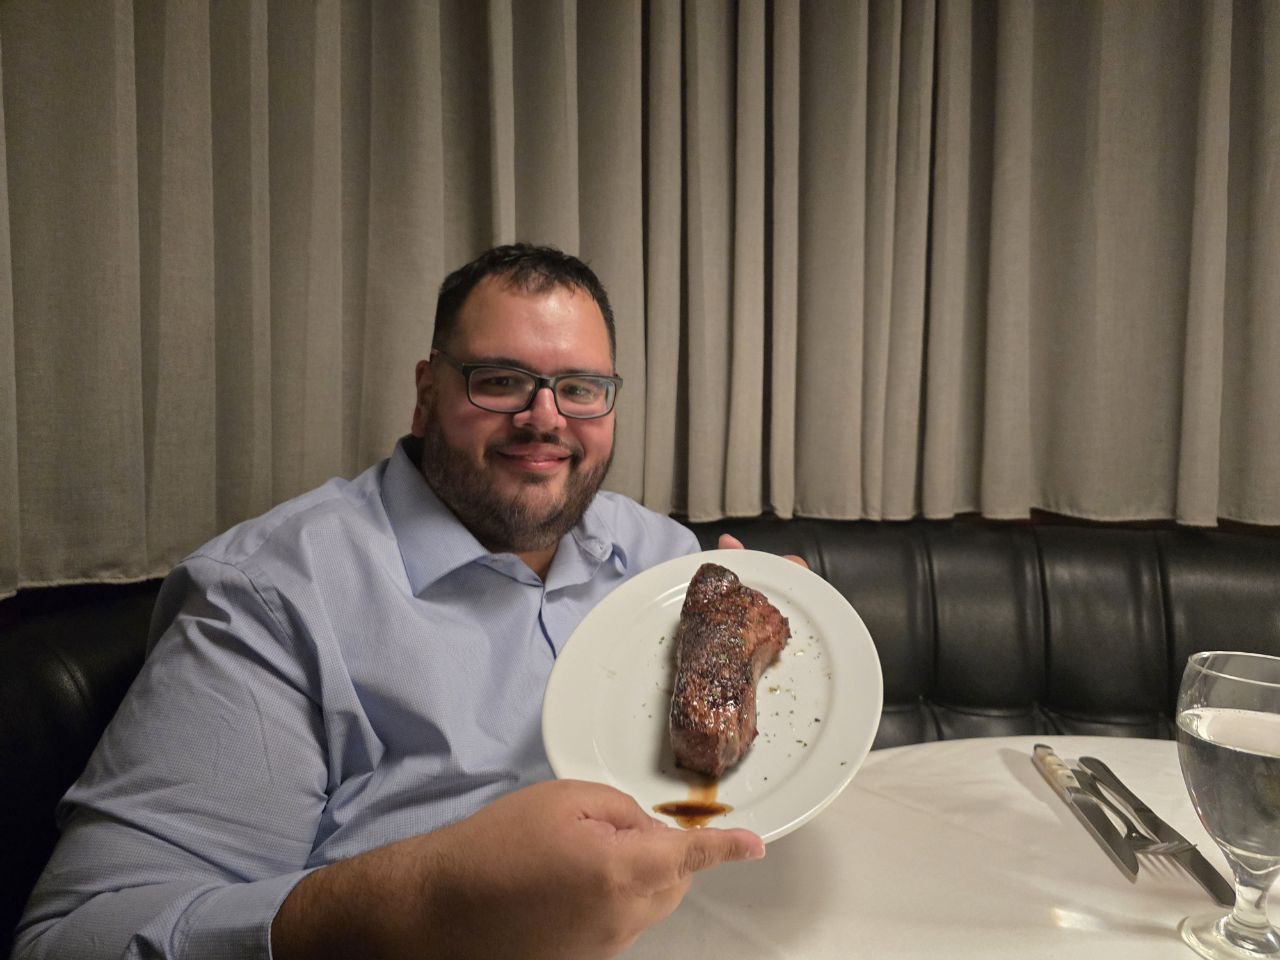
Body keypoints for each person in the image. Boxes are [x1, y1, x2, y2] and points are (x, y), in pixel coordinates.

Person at [13, 244, 777, 960]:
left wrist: (775, 637)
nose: (546, 417)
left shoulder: (662, 556)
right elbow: (78, 935)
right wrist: (431, 898)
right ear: (426, 391)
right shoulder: (271, 596)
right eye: (502, 380)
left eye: (580, 389)